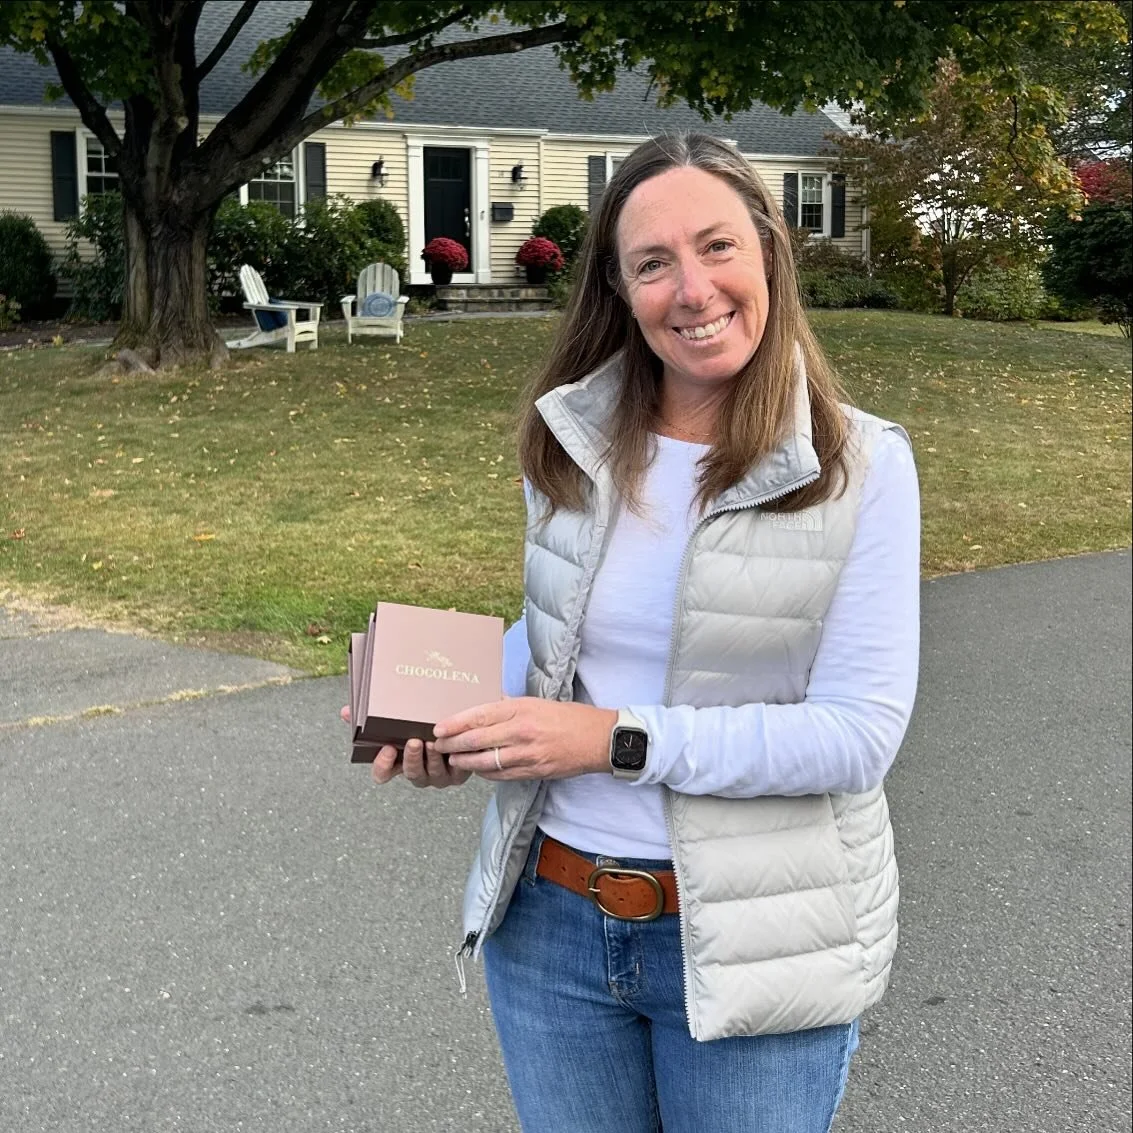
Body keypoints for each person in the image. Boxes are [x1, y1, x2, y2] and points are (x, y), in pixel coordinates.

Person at [362, 132, 920, 1132]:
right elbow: (559, 640)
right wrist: (447, 720)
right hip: (552, 924)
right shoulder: (571, 437)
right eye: (653, 263)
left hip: (754, 943)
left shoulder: (859, 465)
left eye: (716, 247)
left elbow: (855, 734)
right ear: (618, 290)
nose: (692, 289)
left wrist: (613, 740)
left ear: (767, 251)